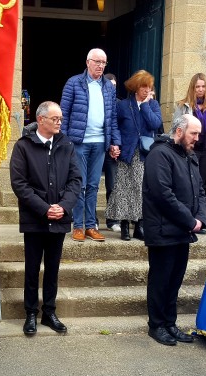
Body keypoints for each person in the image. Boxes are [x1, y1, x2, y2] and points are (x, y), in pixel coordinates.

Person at [10, 101, 82, 335]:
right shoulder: (23, 146)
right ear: (41, 120)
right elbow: (19, 184)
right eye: (55, 119)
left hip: (59, 217)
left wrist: (63, 206)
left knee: (53, 268)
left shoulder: (66, 145)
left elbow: (75, 180)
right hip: (35, 218)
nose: (59, 122)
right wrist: (44, 208)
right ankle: (31, 312)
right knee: (32, 268)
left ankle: (49, 312)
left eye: (60, 119)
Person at [142, 114, 205, 346]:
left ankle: (170, 323)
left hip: (182, 231)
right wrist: (190, 220)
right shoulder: (159, 154)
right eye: (193, 133)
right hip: (163, 230)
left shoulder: (189, 156)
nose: (197, 138)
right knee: (161, 280)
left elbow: (199, 189)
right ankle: (156, 325)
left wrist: (200, 217)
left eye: (198, 134)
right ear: (179, 131)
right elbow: (163, 195)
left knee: (175, 280)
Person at [60, 48, 121, 242]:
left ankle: (91, 226)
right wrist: (65, 141)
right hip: (79, 143)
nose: (101, 66)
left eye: (104, 63)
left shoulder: (108, 87)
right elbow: (64, 113)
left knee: (94, 185)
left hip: (100, 142)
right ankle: (77, 226)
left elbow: (112, 118)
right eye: (97, 62)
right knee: (80, 185)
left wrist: (114, 142)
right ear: (88, 62)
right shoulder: (74, 82)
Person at [106, 70, 162, 241]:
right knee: (123, 188)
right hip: (127, 152)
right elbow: (114, 125)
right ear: (136, 87)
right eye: (143, 86)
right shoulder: (123, 105)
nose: (147, 90)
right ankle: (124, 225)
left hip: (145, 154)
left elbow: (155, 123)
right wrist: (115, 144)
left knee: (141, 189)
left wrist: (145, 105)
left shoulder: (152, 105)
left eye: (149, 87)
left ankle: (139, 225)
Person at [173, 73, 206, 233]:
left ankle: (203, 219)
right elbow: (176, 129)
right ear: (192, 88)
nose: (200, 89)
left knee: (205, 186)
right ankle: (189, 220)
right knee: (189, 184)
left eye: (203, 86)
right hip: (190, 151)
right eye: (197, 86)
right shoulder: (183, 106)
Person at [102, 72, 120, 233]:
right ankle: (88, 220)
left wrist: (116, 145)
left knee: (113, 186)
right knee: (88, 185)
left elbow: (119, 128)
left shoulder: (119, 104)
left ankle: (112, 219)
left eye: (114, 87)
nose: (112, 89)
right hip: (96, 147)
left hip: (112, 151)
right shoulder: (96, 102)